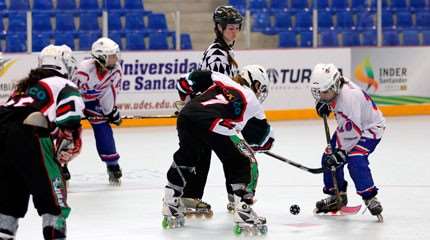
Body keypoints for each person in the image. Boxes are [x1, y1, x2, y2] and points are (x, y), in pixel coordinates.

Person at [162, 66, 273, 233]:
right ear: (255, 84)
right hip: (215, 124)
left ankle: (170, 201)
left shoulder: (220, 78)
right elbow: (265, 139)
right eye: (261, 88)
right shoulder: (252, 100)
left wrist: (186, 101)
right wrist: (258, 146)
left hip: (187, 115)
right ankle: (243, 208)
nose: (260, 92)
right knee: (242, 160)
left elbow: (184, 82)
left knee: (188, 156)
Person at [0, 45, 84, 239]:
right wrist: (70, 141)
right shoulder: (64, 85)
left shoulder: (26, 87)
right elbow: (70, 118)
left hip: (3, 132)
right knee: (54, 201)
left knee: (8, 201)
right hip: (29, 134)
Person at [181, 5, 245, 214]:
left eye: (236, 27)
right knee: (222, 153)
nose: (234, 31)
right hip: (210, 113)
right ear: (219, 28)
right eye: (230, 28)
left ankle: (225, 195)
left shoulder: (226, 51)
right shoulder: (217, 54)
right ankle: (230, 196)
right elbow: (219, 87)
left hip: (211, 111)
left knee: (218, 153)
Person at [310, 63, 385, 218]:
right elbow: (345, 121)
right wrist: (326, 104)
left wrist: (342, 153)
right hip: (351, 126)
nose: (321, 96)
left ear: (335, 86)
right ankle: (337, 196)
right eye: (319, 92)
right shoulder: (335, 86)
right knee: (328, 158)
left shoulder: (349, 98)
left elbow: (354, 132)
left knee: (355, 159)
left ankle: (370, 197)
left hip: (369, 129)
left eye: (324, 92)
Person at [72, 37, 123, 184]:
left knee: (103, 128)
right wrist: (73, 112)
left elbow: (110, 93)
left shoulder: (116, 70)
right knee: (69, 127)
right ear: (101, 57)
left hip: (94, 103)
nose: (115, 59)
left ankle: (112, 165)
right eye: (112, 56)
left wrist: (110, 112)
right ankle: (63, 164)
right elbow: (71, 91)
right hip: (76, 100)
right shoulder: (83, 69)